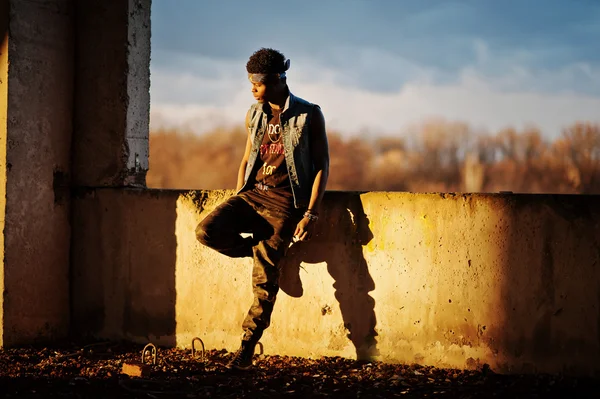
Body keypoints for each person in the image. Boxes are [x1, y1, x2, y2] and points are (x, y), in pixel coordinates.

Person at [195, 48, 330, 371]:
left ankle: (246, 347)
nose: (252, 87)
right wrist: (239, 192)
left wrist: (310, 213)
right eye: (250, 81)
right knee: (205, 231)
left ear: (279, 79)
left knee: (264, 283)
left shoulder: (308, 114)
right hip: (251, 196)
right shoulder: (253, 114)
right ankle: (255, 252)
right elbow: (247, 157)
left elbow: (322, 164)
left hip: (283, 206)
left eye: (258, 82)